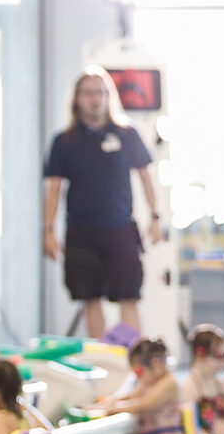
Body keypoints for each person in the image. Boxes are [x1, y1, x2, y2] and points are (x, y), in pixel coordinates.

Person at [41, 70, 165, 338]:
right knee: (90, 297)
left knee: (128, 295)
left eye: (100, 92)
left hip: (120, 227)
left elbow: (146, 177)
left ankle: (134, 360)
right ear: (77, 99)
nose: (95, 99)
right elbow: (54, 188)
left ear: (109, 96)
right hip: (81, 230)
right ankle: (102, 360)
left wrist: (156, 218)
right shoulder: (64, 141)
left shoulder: (126, 134)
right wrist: (48, 230)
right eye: (88, 93)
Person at [92, 336, 186, 434]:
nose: (137, 377)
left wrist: (111, 408)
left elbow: (144, 406)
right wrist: (102, 403)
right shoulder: (148, 381)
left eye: (138, 372)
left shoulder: (169, 383)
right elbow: (130, 397)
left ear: (156, 363)